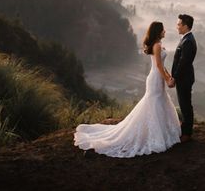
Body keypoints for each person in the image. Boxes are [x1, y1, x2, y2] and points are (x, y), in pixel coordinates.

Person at [73, 21, 181, 157]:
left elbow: (161, 65)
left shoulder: (157, 45)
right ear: (158, 31)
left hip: (156, 77)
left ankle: (158, 132)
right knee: (154, 103)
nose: (165, 31)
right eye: (163, 29)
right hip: (155, 78)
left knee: (157, 102)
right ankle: (154, 134)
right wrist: (167, 79)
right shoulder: (158, 45)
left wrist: (169, 76)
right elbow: (159, 66)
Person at [172, 13, 197, 142]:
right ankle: (186, 128)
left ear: (185, 26)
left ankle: (187, 133)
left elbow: (183, 63)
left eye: (179, 24)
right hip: (184, 77)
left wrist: (174, 78)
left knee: (185, 105)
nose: (177, 27)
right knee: (184, 104)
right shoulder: (186, 39)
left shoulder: (187, 41)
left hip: (184, 78)